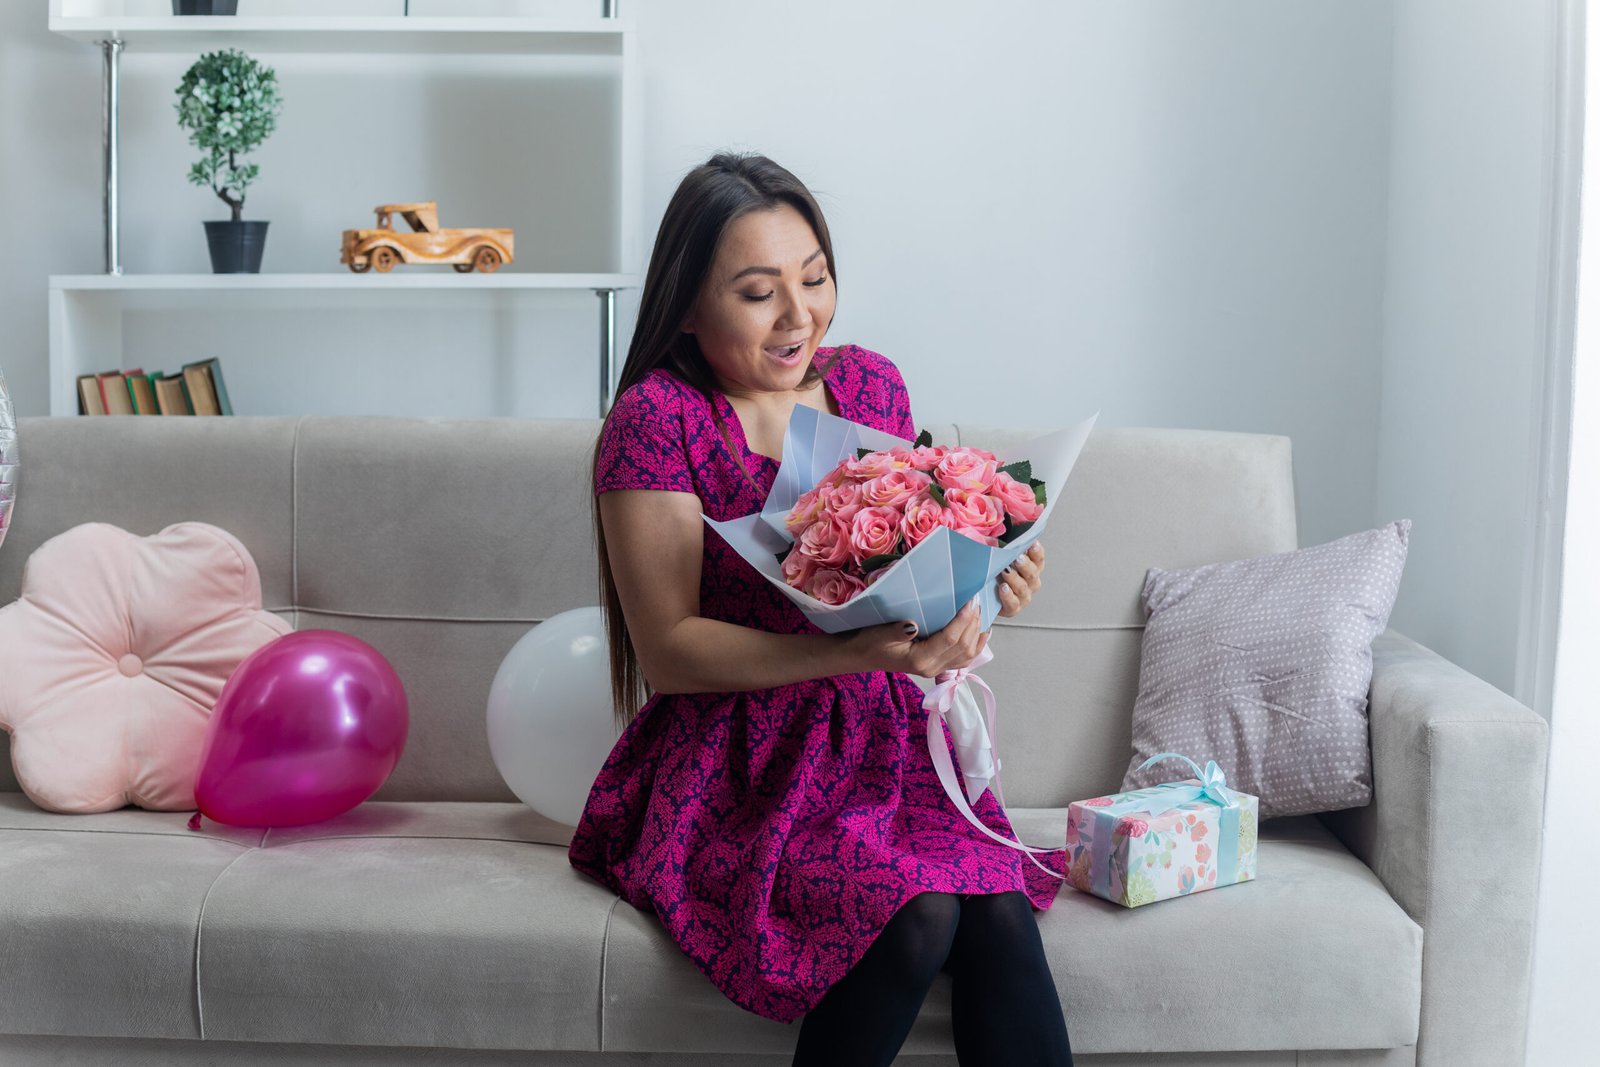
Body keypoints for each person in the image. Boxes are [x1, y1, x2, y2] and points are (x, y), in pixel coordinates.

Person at [567, 151, 1074, 1067]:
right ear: (687, 304)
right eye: (759, 292)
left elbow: (907, 593)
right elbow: (671, 650)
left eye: (815, 278)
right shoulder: (658, 419)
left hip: (886, 745)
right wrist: (861, 657)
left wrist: (986, 588)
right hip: (735, 763)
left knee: (996, 907)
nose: (800, 315)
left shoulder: (871, 384)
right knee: (919, 913)